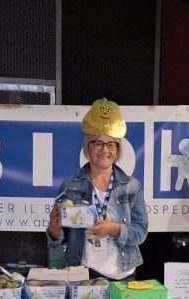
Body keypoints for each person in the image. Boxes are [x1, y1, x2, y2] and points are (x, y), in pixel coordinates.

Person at [47, 98, 148, 281]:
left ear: (117, 150)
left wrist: (113, 229)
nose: (105, 150)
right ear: (88, 146)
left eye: (111, 144)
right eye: (98, 143)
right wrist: (55, 230)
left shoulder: (132, 186)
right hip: (85, 275)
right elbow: (60, 239)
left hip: (124, 275)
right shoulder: (70, 185)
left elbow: (140, 232)